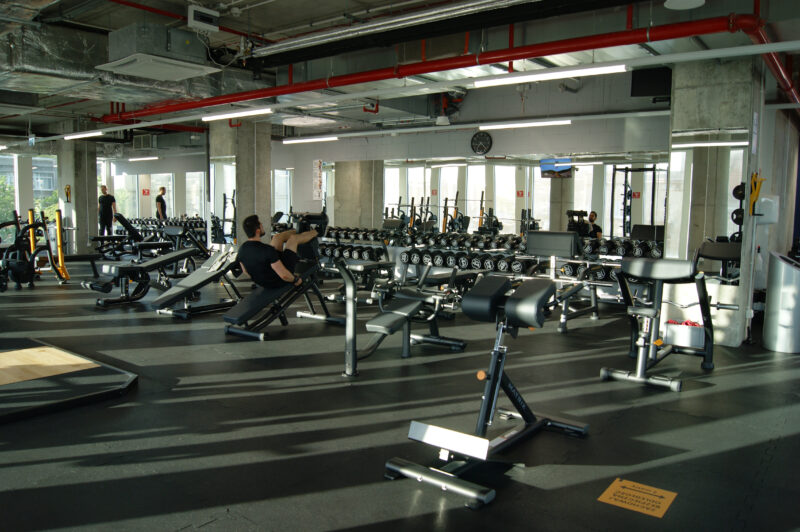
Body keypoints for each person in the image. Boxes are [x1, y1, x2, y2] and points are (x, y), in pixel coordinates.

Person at [236, 214, 318, 289]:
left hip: (264, 281)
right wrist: (295, 280)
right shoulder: (267, 250)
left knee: (277, 237)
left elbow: (245, 271)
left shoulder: (242, 249)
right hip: (279, 280)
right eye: (261, 225)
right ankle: (316, 231)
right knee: (293, 239)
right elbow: (284, 276)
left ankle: (301, 231)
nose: (262, 227)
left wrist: (261, 277)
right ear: (257, 231)